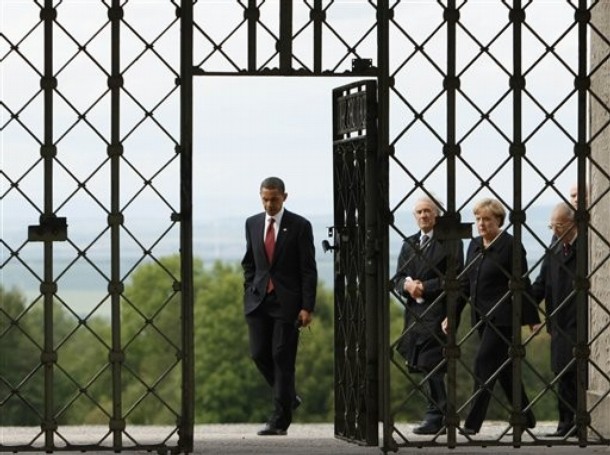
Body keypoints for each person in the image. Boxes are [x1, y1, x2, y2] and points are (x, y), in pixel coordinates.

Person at [445, 198, 540, 435]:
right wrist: (452, 316)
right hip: (481, 317)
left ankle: (472, 424)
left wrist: (531, 318)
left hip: (504, 318)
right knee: (505, 370)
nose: (481, 223)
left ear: (499, 220)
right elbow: (466, 284)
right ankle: (526, 415)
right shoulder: (475, 245)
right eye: (478, 219)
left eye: (486, 219)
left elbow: (522, 282)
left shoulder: (511, 246)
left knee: (483, 362)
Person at [241, 176, 318, 436]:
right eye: (264, 199)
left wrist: (307, 307)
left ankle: (279, 420)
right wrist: (250, 288)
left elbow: (308, 270)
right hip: (258, 301)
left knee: (282, 358)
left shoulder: (300, 226)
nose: (269, 204)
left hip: (288, 304)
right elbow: (250, 261)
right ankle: (288, 396)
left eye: (274, 199)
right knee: (258, 353)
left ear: (284, 197)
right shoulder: (252, 223)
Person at [394, 195, 464, 435]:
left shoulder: (450, 242)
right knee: (424, 366)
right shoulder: (410, 243)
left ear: (437, 215)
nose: (424, 216)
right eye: (419, 212)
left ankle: (437, 415)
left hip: (438, 311)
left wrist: (424, 286)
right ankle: (440, 413)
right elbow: (397, 278)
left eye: (428, 211)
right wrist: (406, 285)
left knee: (431, 363)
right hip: (414, 315)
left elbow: (455, 277)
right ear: (415, 217)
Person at [531, 202, 580, 438]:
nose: (554, 230)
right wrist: (523, 305)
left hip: (581, 324)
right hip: (559, 323)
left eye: (559, 225)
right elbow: (541, 284)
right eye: (552, 225)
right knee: (562, 374)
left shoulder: (588, 247)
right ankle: (565, 423)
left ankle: (579, 421)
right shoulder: (554, 248)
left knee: (579, 374)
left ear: (573, 224)